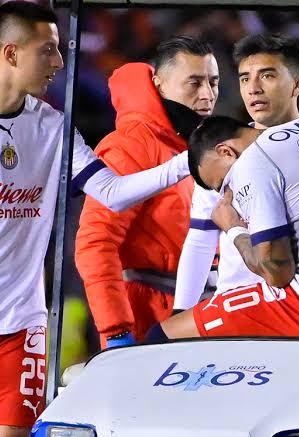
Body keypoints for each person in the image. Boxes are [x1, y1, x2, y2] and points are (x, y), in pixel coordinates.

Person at [0, 2, 192, 436]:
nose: (60, 62)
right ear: (11, 54)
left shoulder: (52, 126)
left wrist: (187, 164)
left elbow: (112, 192)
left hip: (22, 323)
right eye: (48, 50)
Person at [147, 115, 299, 342]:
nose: (228, 194)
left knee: (162, 338)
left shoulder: (253, 161)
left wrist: (233, 227)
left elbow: (277, 274)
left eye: (223, 184)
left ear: (226, 152)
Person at [74, 36, 219, 349]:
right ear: (160, 84)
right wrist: (116, 331)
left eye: (213, 82)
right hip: (151, 319)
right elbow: (96, 244)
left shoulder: (200, 142)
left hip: (204, 313)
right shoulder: (132, 145)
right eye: (194, 83)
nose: (207, 95)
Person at [173, 34, 299, 311]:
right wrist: (180, 311)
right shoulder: (219, 153)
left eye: (267, 76)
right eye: (245, 79)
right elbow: (201, 239)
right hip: (237, 303)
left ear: (297, 84)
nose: (253, 89)